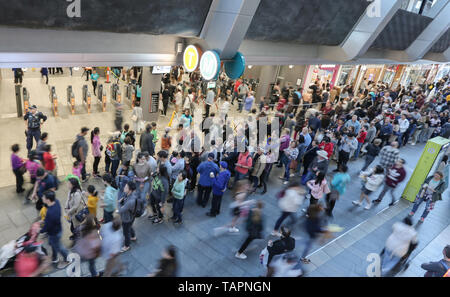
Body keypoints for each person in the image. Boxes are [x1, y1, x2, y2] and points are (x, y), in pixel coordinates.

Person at [39, 190, 71, 269]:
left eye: (43, 197)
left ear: (48, 200)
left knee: (59, 247)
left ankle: (67, 259)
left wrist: (40, 230)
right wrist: (45, 220)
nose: (42, 198)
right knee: (53, 244)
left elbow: (47, 226)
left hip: (54, 233)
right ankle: (54, 257)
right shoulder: (56, 202)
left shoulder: (50, 212)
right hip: (58, 229)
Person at [119, 181, 138, 252]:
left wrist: (119, 202)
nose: (124, 188)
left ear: (130, 190)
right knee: (130, 226)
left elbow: (121, 210)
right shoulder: (132, 194)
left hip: (127, 218)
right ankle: (133, 236)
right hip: (131, 216)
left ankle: (127, 246)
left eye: (126, 187)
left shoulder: (130, 201)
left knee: (126, 232)